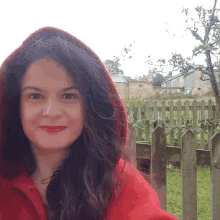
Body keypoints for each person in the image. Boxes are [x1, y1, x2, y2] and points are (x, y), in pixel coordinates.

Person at [0, 27, 178, 220]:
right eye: (35, 96)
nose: (51, 112)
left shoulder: (119, 184)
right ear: (14, 105)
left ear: (90, 107)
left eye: (68, 96)